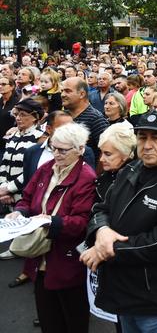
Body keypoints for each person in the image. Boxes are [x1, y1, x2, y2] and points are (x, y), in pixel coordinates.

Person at [81, 110, 157, 332]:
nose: (147, 145)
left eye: (156, 137)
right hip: (121, 290)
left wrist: (107, 249)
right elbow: (101, 208)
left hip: (155, 300)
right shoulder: (129, 169)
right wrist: (101, 231)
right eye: (142, 137)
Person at [6, 122, 96, 333]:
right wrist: (19, 212)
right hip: (39, 258)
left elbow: (83, 222)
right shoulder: (47, 169)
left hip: (67, 260)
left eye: (63, 150)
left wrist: (51, 222)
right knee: (48, 319)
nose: (56, 154)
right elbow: (27, 198)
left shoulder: (86, 178)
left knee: (72, 320)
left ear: (80, 150)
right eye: (53, 147)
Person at [0, 98, 46, 211]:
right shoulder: (12, 136)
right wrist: (2, 188)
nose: (18, 118)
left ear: (35, 117)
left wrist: (9, 189)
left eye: (23, 115)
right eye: (17, 115)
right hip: (4, 196)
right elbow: (4, 164)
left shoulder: (41, 138)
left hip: (24, 197)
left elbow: (32, 170)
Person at [61, 77, 109, 165]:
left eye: (68, 91)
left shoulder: (95, 118)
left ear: (82, 94)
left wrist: (95, 175)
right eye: (62, 91)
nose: (63, 95)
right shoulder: (62, 116)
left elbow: (106, 150)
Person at [96, 122, 136, 203]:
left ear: (125, 153)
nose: (101, 159)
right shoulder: (106, 174)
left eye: (108, 154)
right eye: (101, 153)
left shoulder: (132, 182)